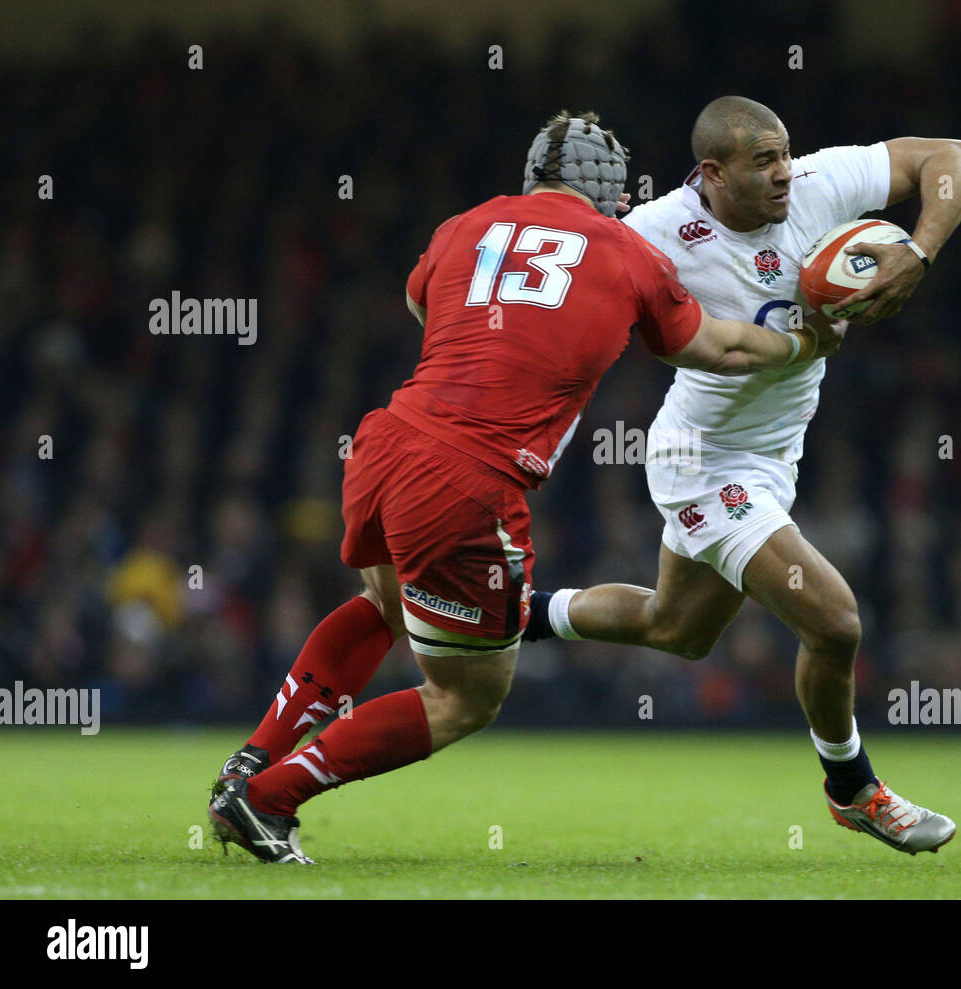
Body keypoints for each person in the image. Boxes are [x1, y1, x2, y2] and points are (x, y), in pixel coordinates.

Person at [206, 110, 843, 864]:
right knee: (465, 696)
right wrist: (807, 338)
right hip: (466, 480)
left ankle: (248, 763)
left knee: (382, 606)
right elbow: (728, 348)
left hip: (385, 441)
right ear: (609, 187)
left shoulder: (464, 224)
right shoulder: (626, 250)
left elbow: (422, 302)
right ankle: (271, 796)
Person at [524, 96, 961, 855]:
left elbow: (958, 154)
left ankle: (517, 612)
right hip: (702, 460)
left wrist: (919, 250)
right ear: (713, 173)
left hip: (774, 454)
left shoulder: (818, 183)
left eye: (785, 153)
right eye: (763, 161)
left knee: (677, 629)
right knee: (835, 621)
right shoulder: (653, 235)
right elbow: (596, 314)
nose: (784, 173)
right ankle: (854, 789)